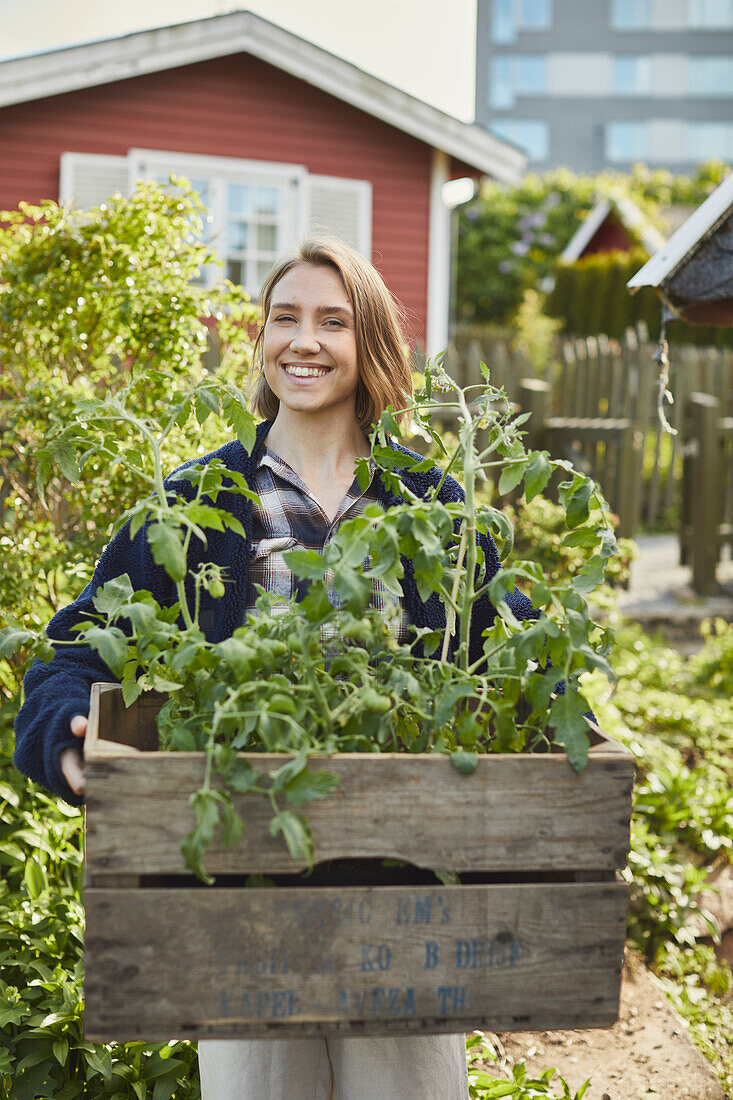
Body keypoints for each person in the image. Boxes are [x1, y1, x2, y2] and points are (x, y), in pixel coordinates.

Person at [14, 236, 537, 1099]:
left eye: (332, 321)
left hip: (403, 880)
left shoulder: (431, 503)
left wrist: (551, 697)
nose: (303, 340)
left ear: (369, 346)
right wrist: (64, 736)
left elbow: (502, 643)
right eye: (283, 318)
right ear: (260, 340)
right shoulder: (200, 500)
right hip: (240, 876)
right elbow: (73, 646)